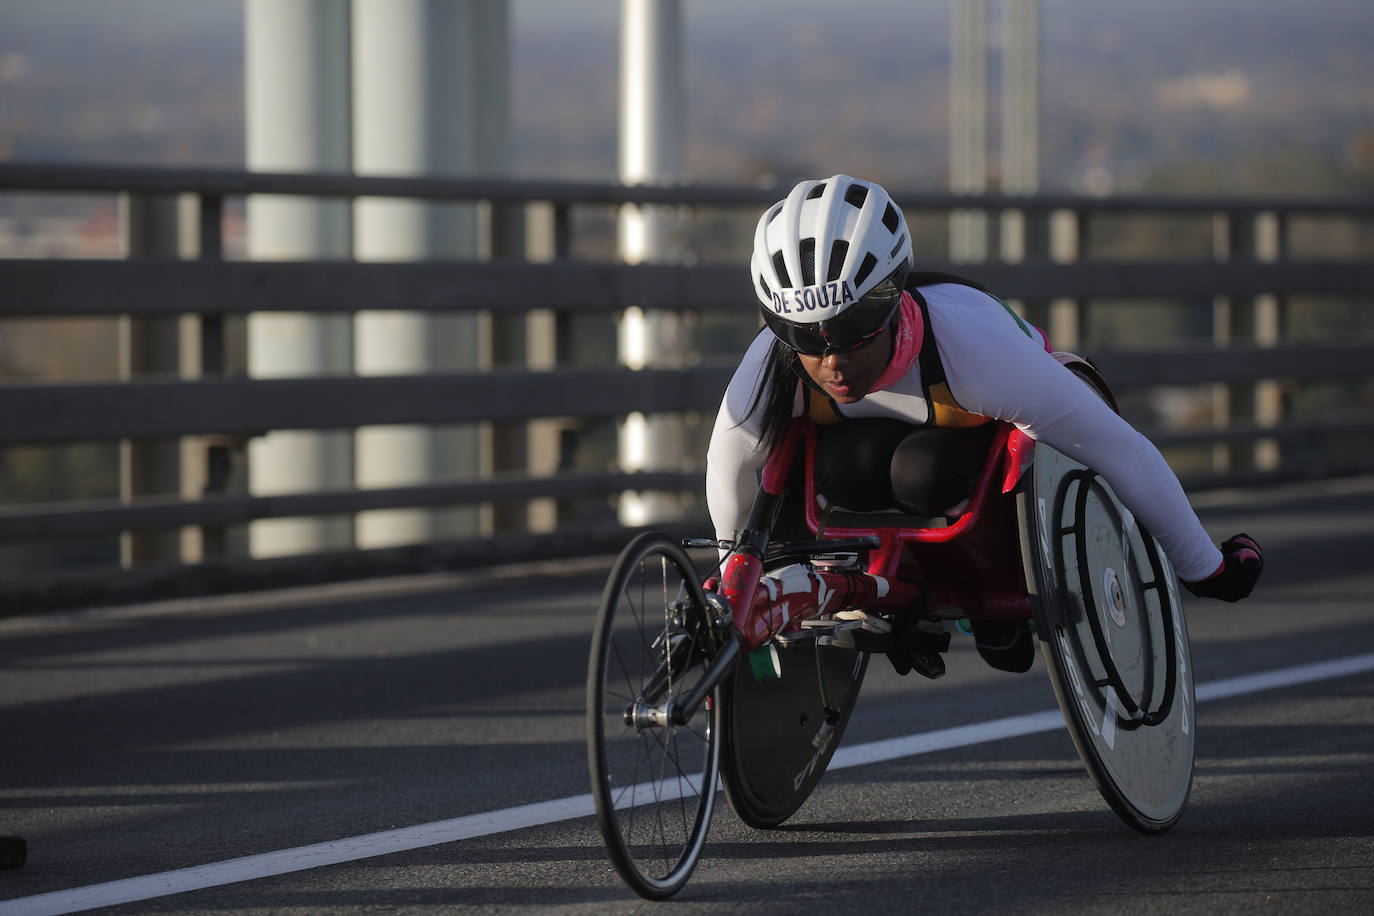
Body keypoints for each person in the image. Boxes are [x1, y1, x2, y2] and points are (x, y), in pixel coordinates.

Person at [705, 174, 1263, 673]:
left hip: (978, 470)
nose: (832, 359)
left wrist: (1206, 569)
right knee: (835, 465)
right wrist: (736, 588)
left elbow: (1121, 450)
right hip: (865, 466)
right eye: (805, 336)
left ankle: (990, 595)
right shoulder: (773, 361)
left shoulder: (973, 348)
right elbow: (730, 470)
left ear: (890, 301)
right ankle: (892, 588)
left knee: (920, 470)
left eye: (852, 328)